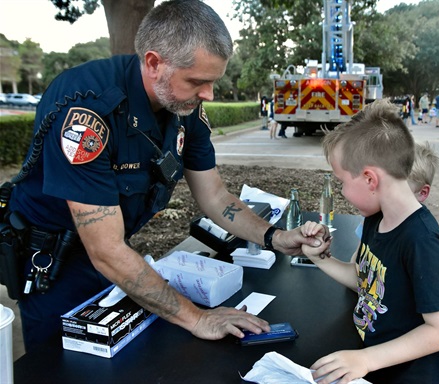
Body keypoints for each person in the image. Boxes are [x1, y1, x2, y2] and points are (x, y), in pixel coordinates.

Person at [5, 0, 324, 352]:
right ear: (154, 63)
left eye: (212, 82)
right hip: (55, 265)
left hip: (114, 253)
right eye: (197, 82)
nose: (209, 95)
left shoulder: (183, 105)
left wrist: (275, 237)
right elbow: (106, 250)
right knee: (65, 365)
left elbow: (215, 196)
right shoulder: (86, 111)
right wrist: (198, 318)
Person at [300, 99, 439, 383]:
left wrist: (366, 359)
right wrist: (318, 257)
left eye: (342, 182)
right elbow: (362, 279)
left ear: (370, 179)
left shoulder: (422, 241)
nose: (343, 192)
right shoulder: (376, 219)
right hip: (375, 366)